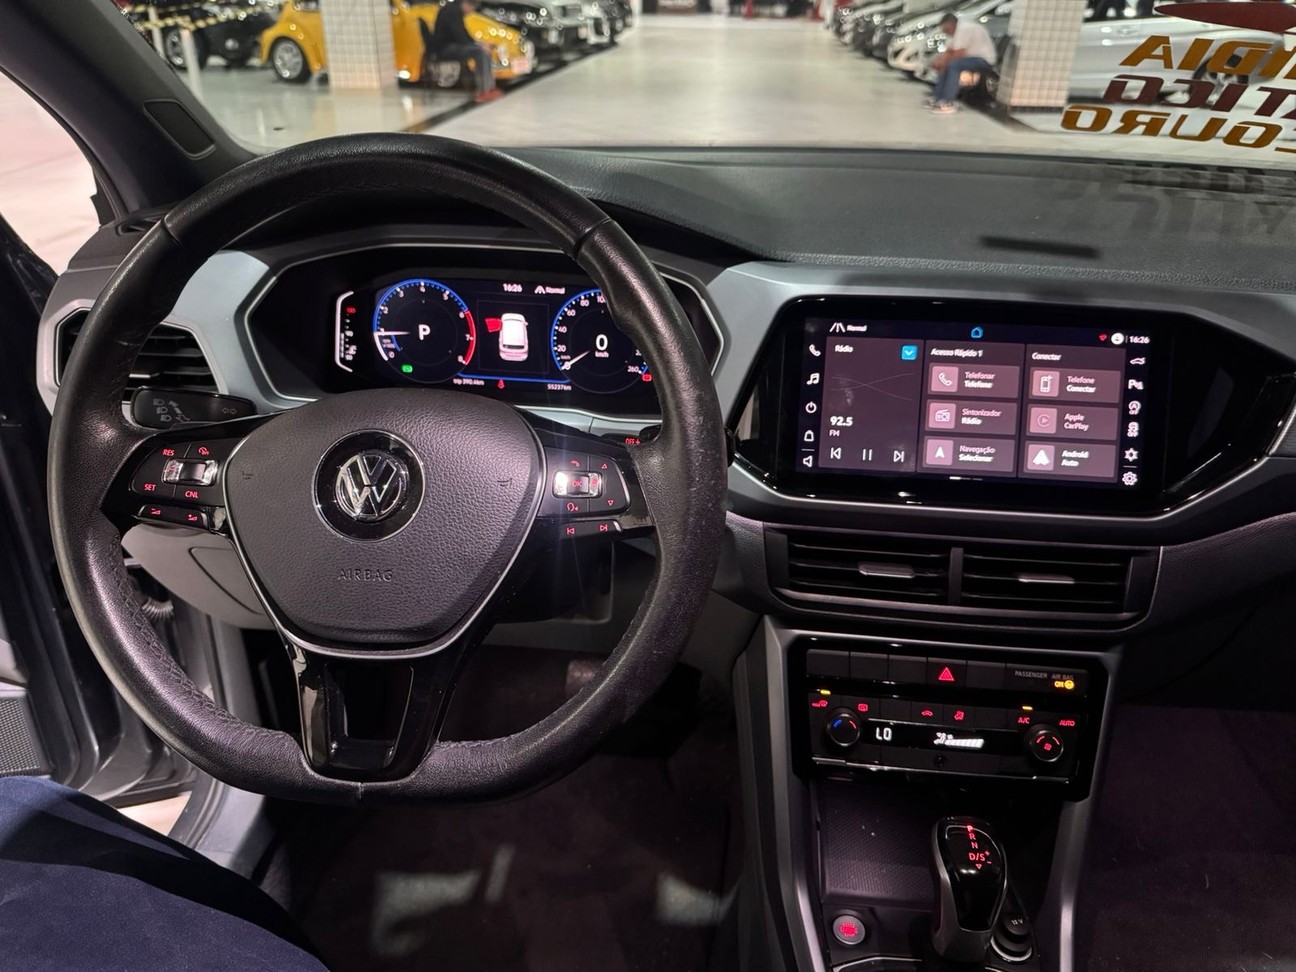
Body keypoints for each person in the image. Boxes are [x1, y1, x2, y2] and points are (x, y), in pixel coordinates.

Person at [427, 0, 502, 103]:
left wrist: (478, 43)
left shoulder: (454, 10)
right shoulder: (451, 11)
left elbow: (463, 34)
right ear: (466, 4)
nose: (470, 12)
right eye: (471, 8)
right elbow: (460, 36)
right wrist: (478, 46)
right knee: (480, 52)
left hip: (449, 46)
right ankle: (484, 90)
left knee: (483, 50)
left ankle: (488, 87)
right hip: (445, 49)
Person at [927, 12, 997, 114]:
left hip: (984, 59)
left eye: (946, 29)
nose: (945, 32)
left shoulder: (964, 29)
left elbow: (959, 53)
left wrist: (943, 63)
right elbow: (948, 51)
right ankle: (939, 98)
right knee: (945, 65)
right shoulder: (953, 32)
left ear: (951, 24)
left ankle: (949, 102)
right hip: (970, 58)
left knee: (953, 65)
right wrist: (939, 62)